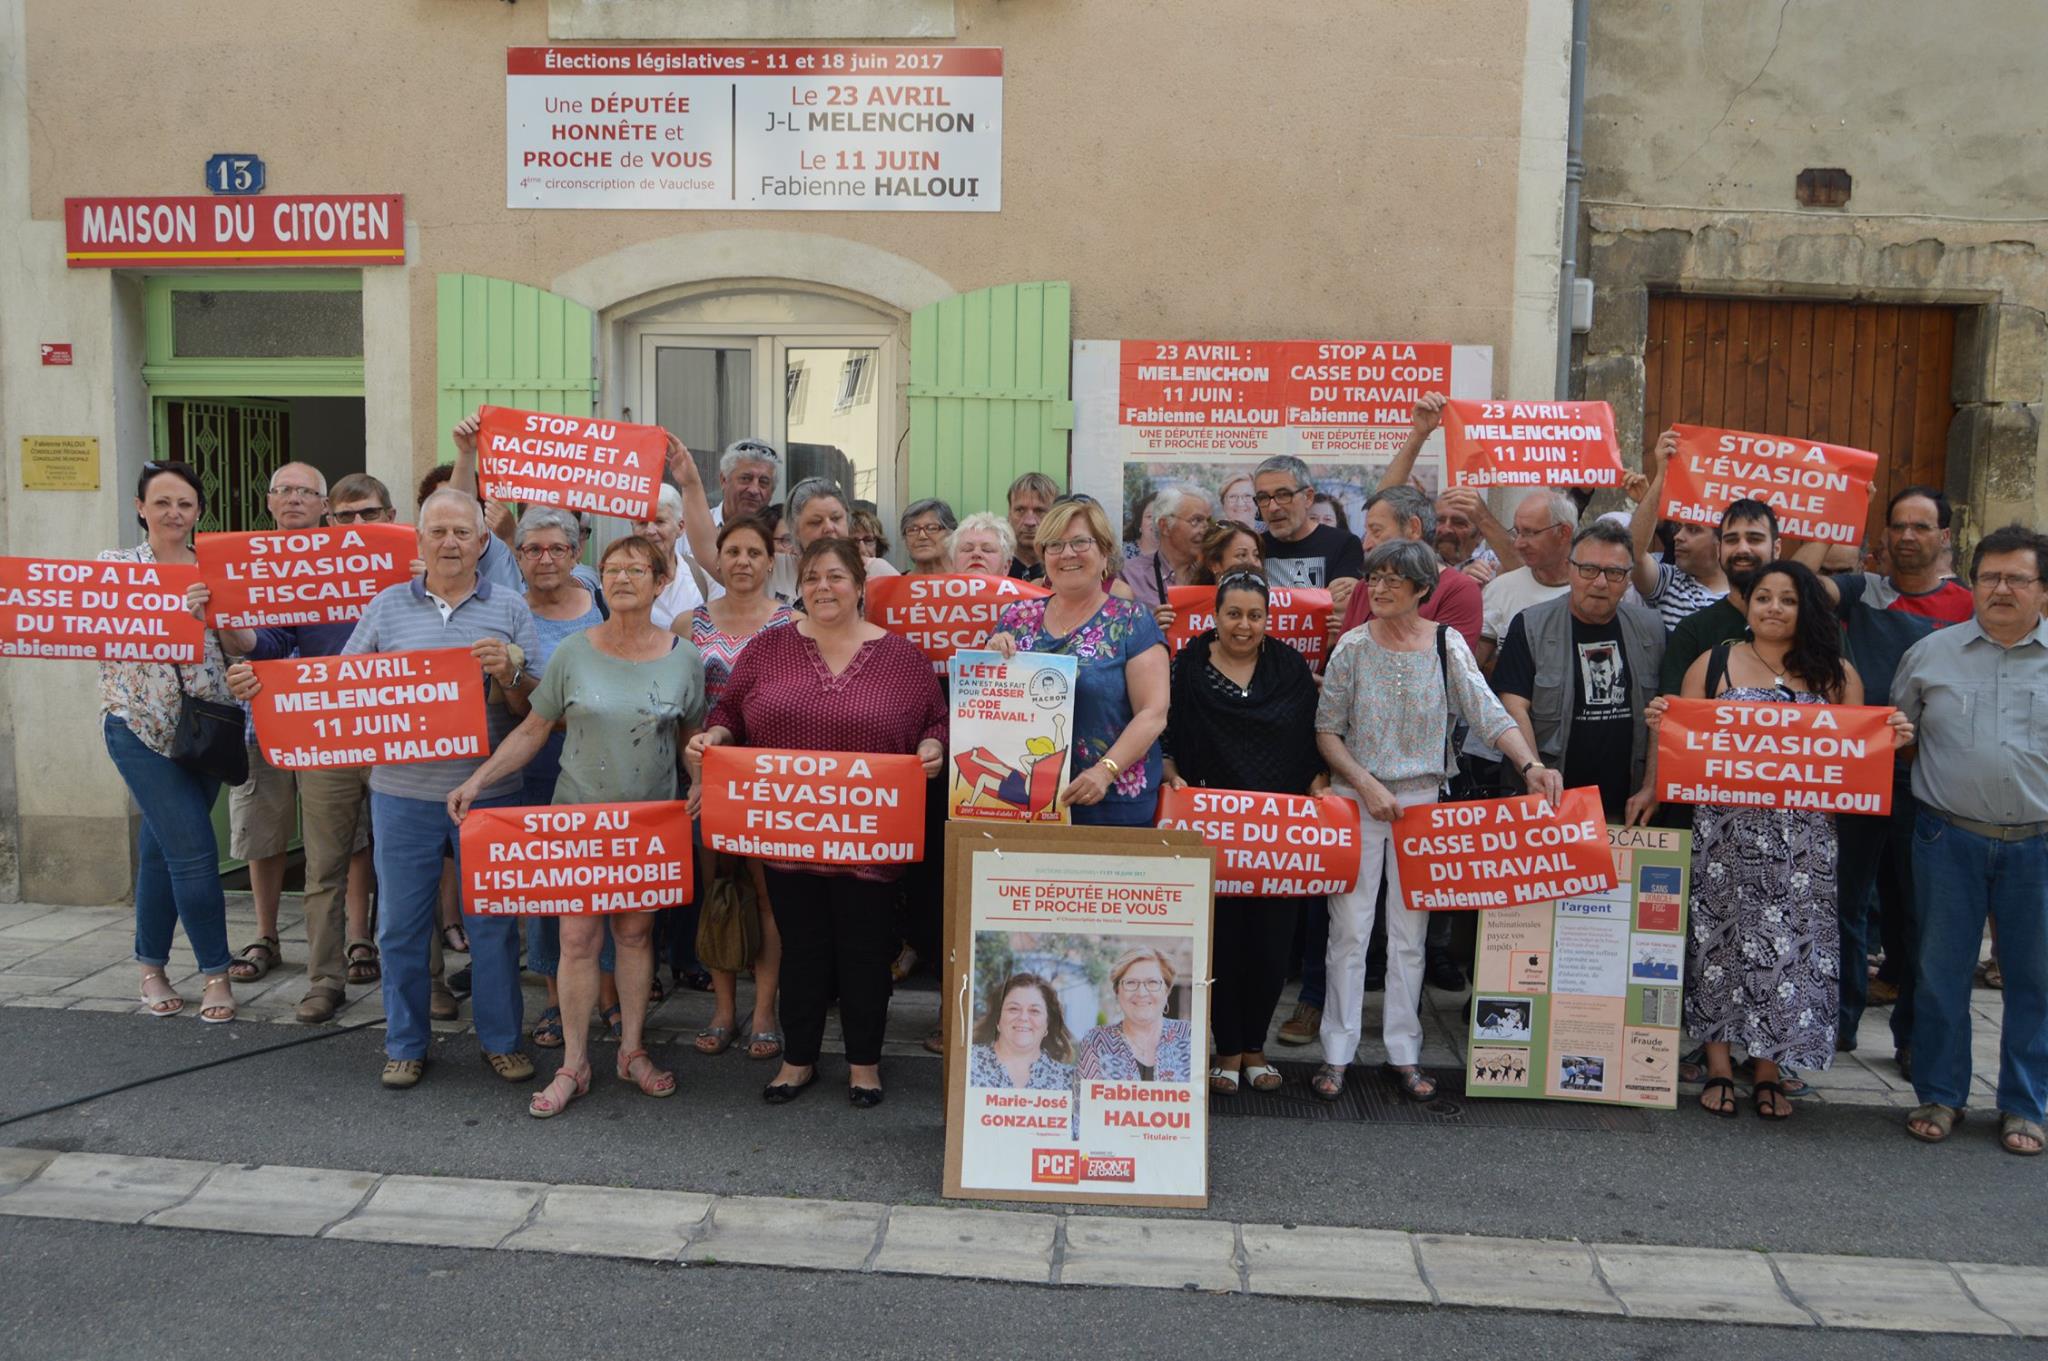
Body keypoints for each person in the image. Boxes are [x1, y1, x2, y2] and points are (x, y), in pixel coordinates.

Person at [234, 487, 541, 1089]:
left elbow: (531, 708)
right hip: (402, 795)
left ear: (483, 542)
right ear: (419, 542)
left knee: (494, 928)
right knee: (399, 926)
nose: (449, 543)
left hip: (490, 797)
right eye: (438, 533)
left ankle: (502, 1041)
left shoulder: (510, 606)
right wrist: (263, 688)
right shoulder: (384, 608)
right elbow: (337, 690)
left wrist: (509, 671)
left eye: (461, 533)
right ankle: (404, 1043)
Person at [449, 533, 705, 1117]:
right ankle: (575, 1062)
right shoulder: (573, 653)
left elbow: (693, 739)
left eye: (636, 570)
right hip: (578, 823)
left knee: (637, 938)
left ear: (662, 581)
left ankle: (634, 1051)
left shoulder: (683, 657)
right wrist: (478, 781)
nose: (620, 579)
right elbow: (533, 731)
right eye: (611, 568)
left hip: (647, 824)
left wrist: (703, 785)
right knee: (576, 940)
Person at [687, 537, 946, 1107]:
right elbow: (728, 709)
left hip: (870, 838)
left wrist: (932, 746)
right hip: (789, 832)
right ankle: (797, 1059)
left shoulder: (903, 657)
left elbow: (936, 720)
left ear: (860, 586)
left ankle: (864, 1065)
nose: (823, 588)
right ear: (799, 587)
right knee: (800, 947)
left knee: (864, 948)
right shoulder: (768, 649)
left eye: (835, 576)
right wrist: (717, 737)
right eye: (811, 578)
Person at [1646, 560, 1907, 1120]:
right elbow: (1683, 737)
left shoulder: (1836, 675)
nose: (1772, 608)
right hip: (1724, 839)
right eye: (1763, 597)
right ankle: (1718, 1066)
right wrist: (1662, 721)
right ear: (1748, 604)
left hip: (1804, 844)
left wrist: (1891, 738)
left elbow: (1856, 756)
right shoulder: (1713, 661)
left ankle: (1767, 1068)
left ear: (1804, 608)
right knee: (1717, 946)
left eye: (1786, 600)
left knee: (1788, 954)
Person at [1313, 540, 1557, 1102]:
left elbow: (1487, 711)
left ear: (1423, 590)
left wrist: (1530, 764)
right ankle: (1337, 1053)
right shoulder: (1351, 646)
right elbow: (1326, 730)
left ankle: (1404, 1051)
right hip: (1357, 798)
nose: (1379, 588)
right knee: (1348, 930)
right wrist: (1367, 784)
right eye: (1375, 578)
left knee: (1411, 934)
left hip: (1422, 801)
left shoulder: (1446, 644)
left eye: (1394, 580)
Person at [1893, 525, 2048, 1156]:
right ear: (1972, 582)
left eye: (2017, 578)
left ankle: (2024, 1104)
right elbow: (1901, 734)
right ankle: (1940, 1093)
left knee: (2035, 979)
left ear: (2044, 590)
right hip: (1947, 835)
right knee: (1940, 972)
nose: (2002, 589)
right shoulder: (1931, 654)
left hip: (2039, 843)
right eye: (1989, 577)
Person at [1816, 486, 1974, 1058]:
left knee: (1916, 911)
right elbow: (1805, 588)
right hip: (1855, 770)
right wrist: (1829, 510)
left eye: (1921, 527)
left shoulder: (1969, 606)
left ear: (1945, 537)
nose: (1908, 536)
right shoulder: (1861, 591)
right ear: (1882, 535)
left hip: (1925, 776)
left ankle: (1912, 1039)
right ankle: (1839, 1025)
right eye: (1898, 525)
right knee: (1845, 903)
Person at [228, 472, 390, 1022]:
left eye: (369, 515)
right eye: (346, 517)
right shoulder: (308, 575)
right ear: (329, 519)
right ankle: (324, 980)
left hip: (400, 734)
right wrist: (233, 629)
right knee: (323, 866)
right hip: (327, 737)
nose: (357, 526)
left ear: (390, 518)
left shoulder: (412, 570)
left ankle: (425, 983)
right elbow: (276, 641)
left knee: (406, 860)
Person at [1162, 570, 1326, 1094]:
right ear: (1215, 616)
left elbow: (1309, 738)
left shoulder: (1289, 667)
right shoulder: (1187, 666)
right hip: (1210, 823)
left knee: (1272, 946)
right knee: (1220, 943)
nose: (1243, 624)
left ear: (1268, 620)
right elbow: (1167, 733)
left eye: (1255, 615)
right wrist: (1170, 773)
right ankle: (1225, 1050)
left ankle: (1256, 1049)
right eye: (1233, 613)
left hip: (1279, 832)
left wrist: (1318, 783)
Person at [103, 460, 250, 1023]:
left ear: (197, 512)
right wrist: (169, 606)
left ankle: (151, 966)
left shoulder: (215, 567)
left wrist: (218, 616)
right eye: (161, 502)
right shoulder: (114, 567)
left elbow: (245, 641)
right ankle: (216, 973)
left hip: (207, 727)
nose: (173, 513)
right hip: (135, 723)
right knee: (192, 849)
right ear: (141, 507)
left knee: (160, 851)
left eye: (184, 503)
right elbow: (94, 625)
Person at [682, 515, 794, 1061]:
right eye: (733, 552)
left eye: (755, 552)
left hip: (773, 783)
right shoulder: (689, 623)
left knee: (769, 898)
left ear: (771, 561)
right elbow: (681, 710)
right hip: (706, 777)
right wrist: (694, 773)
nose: (743, 561)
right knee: (718, 894)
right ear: (717, 560)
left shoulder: (795, 624)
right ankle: (724, 1010)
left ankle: (766, 1011)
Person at [219, 462, 333, 990]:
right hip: (259, 717)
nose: (293, 500)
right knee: (264, 832)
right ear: (268, 502)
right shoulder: (240, 562)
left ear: (323, 504)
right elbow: (258, 640)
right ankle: (265, 935)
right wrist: (235, 635)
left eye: (305, 492)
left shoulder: (349, 560)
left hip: (331, 722)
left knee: (342, 837)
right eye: (283, 491)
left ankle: (345, 942)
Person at [987, 499, 1169, 827]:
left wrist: (1104, 772)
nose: (1067, 553)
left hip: (1110, 802)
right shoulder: (1016, 618)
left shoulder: (1131, 620)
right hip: (1026, 803)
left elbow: (1153, 713)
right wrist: (990, 662)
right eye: (1055, 544)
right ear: (1043, 556)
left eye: (1080, 542)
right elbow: (990, 710)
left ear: (1104, 553)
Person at [503, 506, 611, 1052]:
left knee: (612, 877)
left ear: (576, 554)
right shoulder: (507, 612)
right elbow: (518, 703)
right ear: (517, 556)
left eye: (557, 549)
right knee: (550, 883)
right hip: (539, 761)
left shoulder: (603, 604)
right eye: (532, 550)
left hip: (605, 761)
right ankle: (554, 997)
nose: (545, 559)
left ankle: (609, 995)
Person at [1492, 520, 1665, 825]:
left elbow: (1664, 715)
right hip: (1549, 804)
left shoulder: (1652, 629)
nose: (1600, 583)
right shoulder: (1531, 626)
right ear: (1570, 569)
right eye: (1588, 569)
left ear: (1628, 580)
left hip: (1628, 808)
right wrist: (1533, 770)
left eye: (1614, 573)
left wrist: (1652, 784)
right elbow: (1513, 706)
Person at [1332, 484, 1484, 648]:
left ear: (1414, 528)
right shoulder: (1365, 586)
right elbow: (1343, 664)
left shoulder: (1458, 590)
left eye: (1376, 531)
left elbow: (1445, 667)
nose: (1366, 545)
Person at [1626, 430, 1730, 631]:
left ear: (1723, 542)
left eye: (1693, 530)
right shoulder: (1669, 583)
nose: (1677, 537)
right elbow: (1633, 553)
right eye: (1679, 528)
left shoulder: (1751, 596)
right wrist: (1663, 474)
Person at [1473, 489, 1577, 671]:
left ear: (1564, 532)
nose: (1518, 543)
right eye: (1517, 532)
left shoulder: (1592, 591)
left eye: (1530, 533)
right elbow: (1473, 666)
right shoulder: (1500, 588)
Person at [1252, 454, 1362, 614]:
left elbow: (1341, 608)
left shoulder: (1344, 543)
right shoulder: (1254, 547)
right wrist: (1323, 598)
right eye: (1263, 498)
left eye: (1283, 495)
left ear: (1308, 498)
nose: (1272, 507)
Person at [1075, 948, 1194, 1081]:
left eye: (1152, 982)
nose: (1142, 993)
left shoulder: (1190, 1035)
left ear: (1167, 991)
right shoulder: (1097, 1041)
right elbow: (1083, 1099)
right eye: (1131, 982)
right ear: (1117, 992)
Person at [967, 973, 1077, 1090]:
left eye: (1034, 1011)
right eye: (1013, 1009)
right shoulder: (968, 1063)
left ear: (1048, 1024)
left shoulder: (1068, 1081)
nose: (1023, 1018)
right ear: (998, 1018)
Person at [636, 482, 720, 628]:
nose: (650, 531)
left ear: (681, 527)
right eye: (642, 523)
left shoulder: (702, 572)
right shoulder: (617, 579)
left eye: (659, 522)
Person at [1122, 484, 1212, 615]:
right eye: (1196, 520)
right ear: (1165, 526)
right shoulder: (1130, 577)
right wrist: (1150, 628)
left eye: (1207, 521)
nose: (1205, 529)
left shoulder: (1211, 575)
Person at [1004, 471, 1059, 583]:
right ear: (1009, 513)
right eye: (1020, 510)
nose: (1030, 522)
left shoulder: (1065, 568)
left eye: (1040, 511)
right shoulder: (994, 566)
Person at [712, 438, 780, 526]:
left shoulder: (779, 537)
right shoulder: (691, 530)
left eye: (763, 482)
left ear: (772, 491)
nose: (754, 490)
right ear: (724, 480)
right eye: (745, 479)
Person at [1185, 519, 1265, 587]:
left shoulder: (1272, 601)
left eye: (1256, 555)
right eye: (1242, 555)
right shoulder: (1190, 603)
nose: (1253, 563)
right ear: (1214, 564)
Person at [901, 498, 958, 574]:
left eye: (932, 528)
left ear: (951, 533)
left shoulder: (969, 583)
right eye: (913, 529)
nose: (922, 536)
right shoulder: (894, 584)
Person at [948, 512, 1014, 576]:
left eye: (987, 550)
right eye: (967, 549)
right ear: (952, 564)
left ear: (1006, 567)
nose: (976, 553)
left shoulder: (1022, 587)